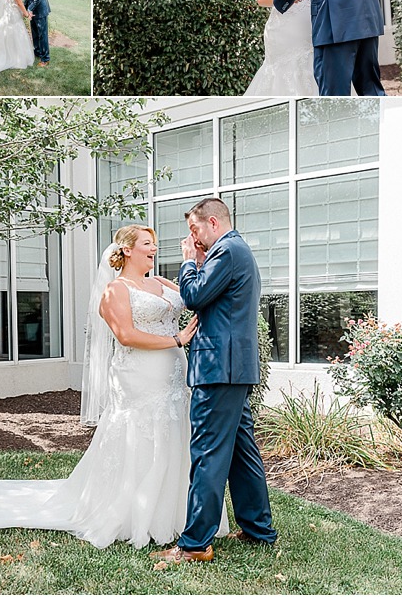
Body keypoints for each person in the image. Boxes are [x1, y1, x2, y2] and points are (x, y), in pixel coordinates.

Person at [0, 224, 228, 548]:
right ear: (127, 249)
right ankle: (133, 514)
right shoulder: (115, 291)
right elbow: (127, 335)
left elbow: (192, 297)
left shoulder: (162, 283)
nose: (154, 248)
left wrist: (194, 262)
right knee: (143, 435)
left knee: (173, 434)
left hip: (172, 373)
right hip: (140, 374)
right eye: (147, 243)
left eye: (154, 244)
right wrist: (177, 340)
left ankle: (177, 515)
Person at [153, 198, 276, 564]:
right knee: (241, 452)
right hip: (232, 369)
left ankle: (194, 544)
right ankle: (258, 529)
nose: (193, 239)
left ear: (212, 222)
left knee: (206, 453)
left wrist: (189, 259)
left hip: (219, 369)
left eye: (195, 231)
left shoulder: (226, 250)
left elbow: (193, 296)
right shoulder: (234, 251)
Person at [21, 0, 51, 67]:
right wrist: (24, 9)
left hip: (40, 12)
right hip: (32, 13)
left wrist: (30, 8)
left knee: (42, 35)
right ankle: (37, 53)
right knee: (35, 34)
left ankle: (45, 59)